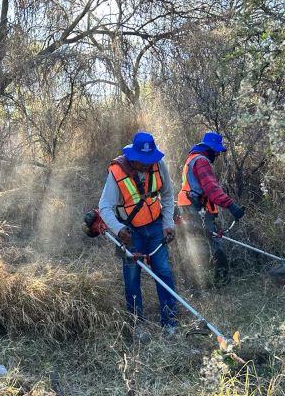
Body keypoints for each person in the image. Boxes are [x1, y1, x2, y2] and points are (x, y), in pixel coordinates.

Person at [98, 132, 178, 339]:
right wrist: (118, 229)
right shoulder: (117, 172)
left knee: (163, 271)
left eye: (150, 159)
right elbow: (104, 207)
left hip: (156, 226)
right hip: (130, 232)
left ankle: (170, 322)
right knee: (132, 277)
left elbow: (167, 195)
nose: (147, 164)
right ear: (133, 157)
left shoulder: (159, 165)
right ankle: (137, 325)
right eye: (143, 161)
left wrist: (168, 223)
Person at [177, 132, 245, 284]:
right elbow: (212, 189)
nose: (218, 154)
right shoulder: (201, 161)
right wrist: (232, 206)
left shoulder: (193, 158)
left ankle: (212, 281)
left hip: (191, 206)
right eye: (216, 151)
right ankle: (209, 282)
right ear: (209, 149)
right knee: (203, 244)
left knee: (201, 241)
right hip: (195, 207)